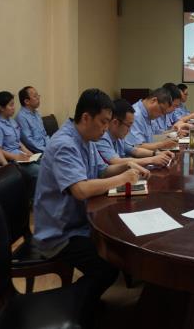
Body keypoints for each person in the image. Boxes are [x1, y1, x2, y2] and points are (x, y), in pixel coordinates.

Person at [33, 89, 141, 303]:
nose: (106, 128)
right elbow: (80, 190)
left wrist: (127, 166)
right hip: (60, 234)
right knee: (108, 267)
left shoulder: (87, 138)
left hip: (79, 222)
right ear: (85, 117)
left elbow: (102, 171)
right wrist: (123, 179)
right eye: (103, 122)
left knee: (118, 246)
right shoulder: (64, 144)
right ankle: (70, 307)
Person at [95, 99, 174, 169]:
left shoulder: (118, 136)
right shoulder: (102, 137)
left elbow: (134, 150)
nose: (129, 130)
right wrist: (151, 160)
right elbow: (116, 161)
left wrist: (156, 154)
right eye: (128, 126)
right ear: (115, 123)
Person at [0, 91, 40, 196]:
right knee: (38, 171)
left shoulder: (12, 121)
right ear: (1, 108)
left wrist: (28, 152)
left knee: (45, 163)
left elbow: (18, 142)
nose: (13, 108)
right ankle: (32, 199)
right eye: (11, 105)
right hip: (11, 160)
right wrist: (16, 157)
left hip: (21, 156)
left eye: (13, 104)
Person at [125, 87, 179, 153]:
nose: (161, 115)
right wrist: (162, 145)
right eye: (161, 110)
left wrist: (174, 134)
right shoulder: (135, 115)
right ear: (154, 100)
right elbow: (136, 146)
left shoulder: (149, 114)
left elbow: (156, 135)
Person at [15, 86, 49, 153]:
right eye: (35, 96)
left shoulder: (37, 113)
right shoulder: (21, 117)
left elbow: (44, 135)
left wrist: (51, 146)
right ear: (27, 101)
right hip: (35, 152)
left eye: (38, 95)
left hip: (46, 148)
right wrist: (46, 151)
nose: (38, 98)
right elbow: (29, 142)